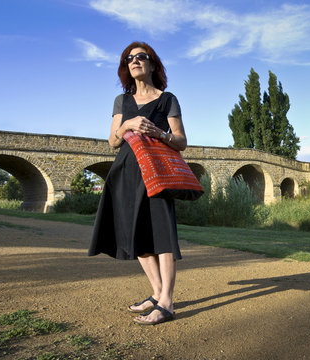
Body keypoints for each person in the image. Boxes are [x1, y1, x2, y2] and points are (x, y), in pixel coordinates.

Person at [89, 41, 187, 326]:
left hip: (156, 173)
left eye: (141, 57)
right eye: (129, 58)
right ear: (126, 67)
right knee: (137, 234)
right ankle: (158, 294)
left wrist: (158, 132)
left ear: (153, 64)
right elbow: (112, 142)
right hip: (125, 172)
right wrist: (127, 125)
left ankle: (167, 303)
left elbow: (181, 141)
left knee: (162, 234)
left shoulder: (167, 99)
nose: (134, 60)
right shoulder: (122, 102)